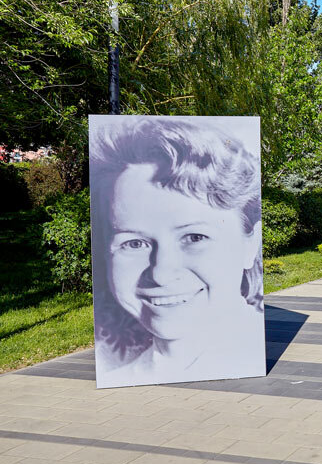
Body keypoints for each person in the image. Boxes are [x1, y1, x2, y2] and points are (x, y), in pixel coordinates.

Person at [89, 117, 264, 387]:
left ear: (249, 244)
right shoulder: (122, 377)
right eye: (134, 243)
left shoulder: (250, 355)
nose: (161, 273)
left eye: (194, 237)